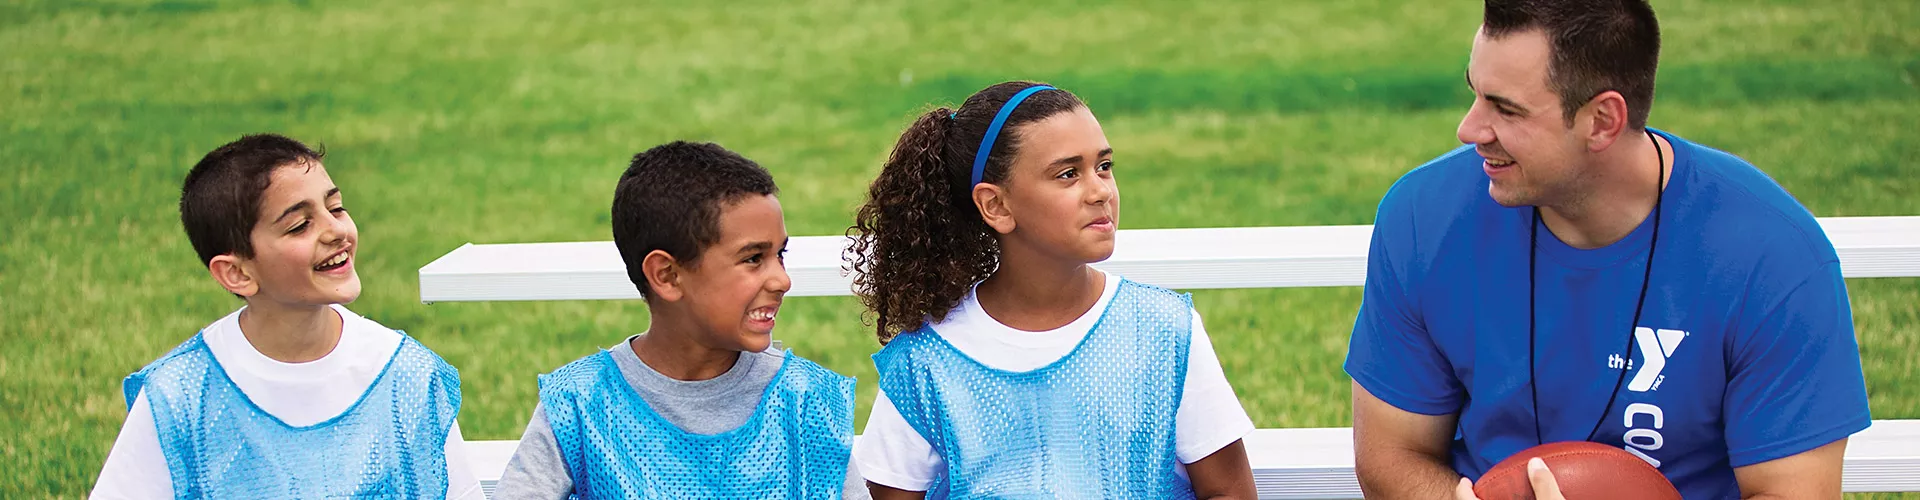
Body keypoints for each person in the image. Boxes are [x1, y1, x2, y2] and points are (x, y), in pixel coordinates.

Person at [1343, 1, 1872, 498]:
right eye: (1475, 93)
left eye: (1506, 109)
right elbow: (1392, 454)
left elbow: (1792, 489)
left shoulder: (1772, 256)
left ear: (1602, 120)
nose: (1469, 129)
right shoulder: (1423, 217)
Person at [846, 81, 1258, 499]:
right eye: (1067, 174)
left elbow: (1229, 491)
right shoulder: (926, 360)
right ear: (996, 206)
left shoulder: (1164, 331)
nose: (1100, 192)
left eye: (1104, 166)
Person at [92, 134, 480, 498]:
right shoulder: (181, 396)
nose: (335, 231)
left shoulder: (406, 377)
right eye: (299, 225)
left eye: (336, 208)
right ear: (238, 273)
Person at [491, 141, 864, 499]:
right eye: (753, 258)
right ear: (667, 275)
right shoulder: (579, 404)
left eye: (780, 255)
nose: (782, 280)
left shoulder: (807, 401)